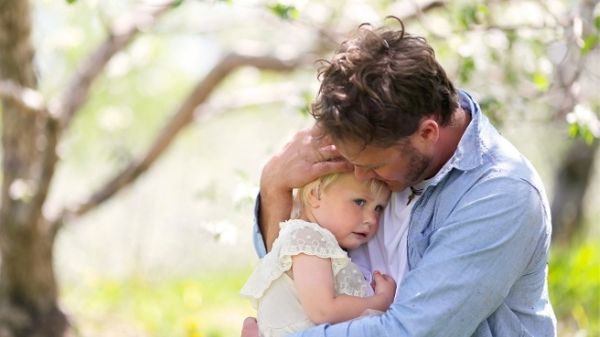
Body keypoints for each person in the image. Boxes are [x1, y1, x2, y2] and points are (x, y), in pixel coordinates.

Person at [243, 16, 556, 337]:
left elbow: (413, 331)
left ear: (427, 133)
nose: (358, 173)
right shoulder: (374, 142)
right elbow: (290, 276)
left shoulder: (501, 194)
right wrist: (274, 188)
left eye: (374, 166)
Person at [240, 172, 396, 337]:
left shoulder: (316, 243)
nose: (371, 219)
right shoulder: (309, 238)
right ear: (315, 195)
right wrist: (381, 301)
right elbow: (323, 311)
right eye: (360, 202)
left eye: (379, 208)